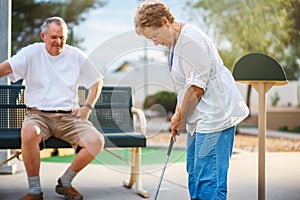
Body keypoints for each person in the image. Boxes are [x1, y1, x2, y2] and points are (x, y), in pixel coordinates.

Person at [134, 1, 249, 200]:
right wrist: (179, 114)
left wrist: (180, 117)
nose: (154, 42)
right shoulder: (174, 43)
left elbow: (197, 88)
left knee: (208, 180)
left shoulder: (190, 41)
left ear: (164, 22)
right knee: (195, 174)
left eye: (154, 36)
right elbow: (185, 87)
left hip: (215, 114)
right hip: (200, 115)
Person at [0, 16, 104, 200]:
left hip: (69, 117)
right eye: (54, 37)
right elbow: (5, 69)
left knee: (96, 140)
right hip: (38, 115)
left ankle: (65, 182)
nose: (58, 42)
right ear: (43, 36)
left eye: (62, 37)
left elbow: (97, 81)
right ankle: (34, 191)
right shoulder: (31, 53)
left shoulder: (76, 55)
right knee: (29, 131)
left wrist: (87, 107)